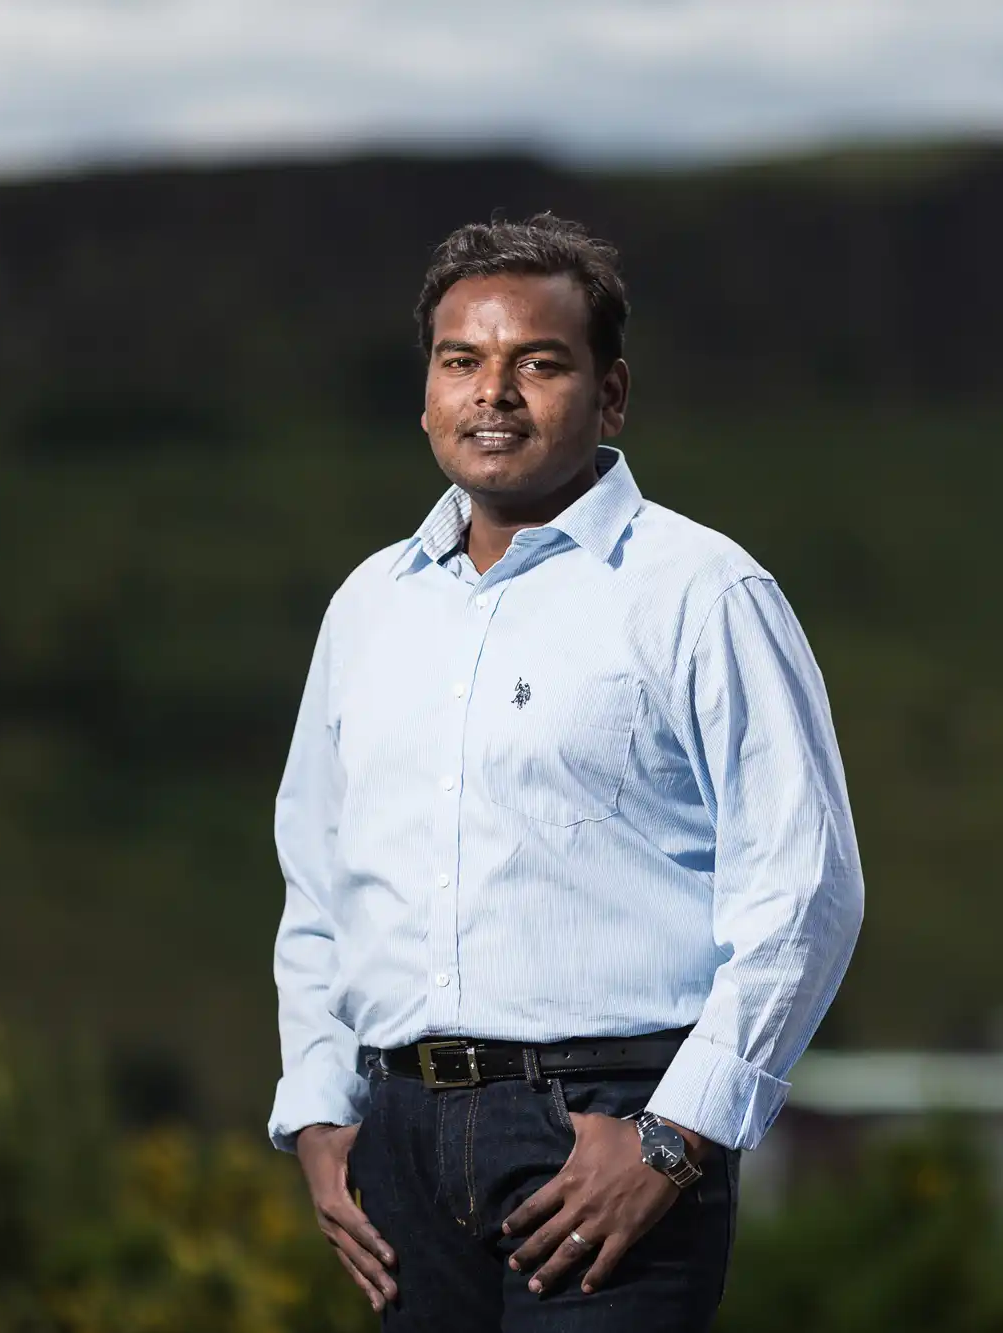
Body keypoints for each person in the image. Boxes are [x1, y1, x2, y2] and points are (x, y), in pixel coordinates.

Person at [268, 212, 864, 1331]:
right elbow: (317, 883)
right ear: (429, 389)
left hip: (606, 1133)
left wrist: (675, 1136)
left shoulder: (701, 591)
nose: (493, 392)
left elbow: (805, 889)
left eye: (537, 363)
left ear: (611, 394)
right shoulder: (368, 607)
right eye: (462, 362)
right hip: (396, 1146)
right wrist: (317, 1114)